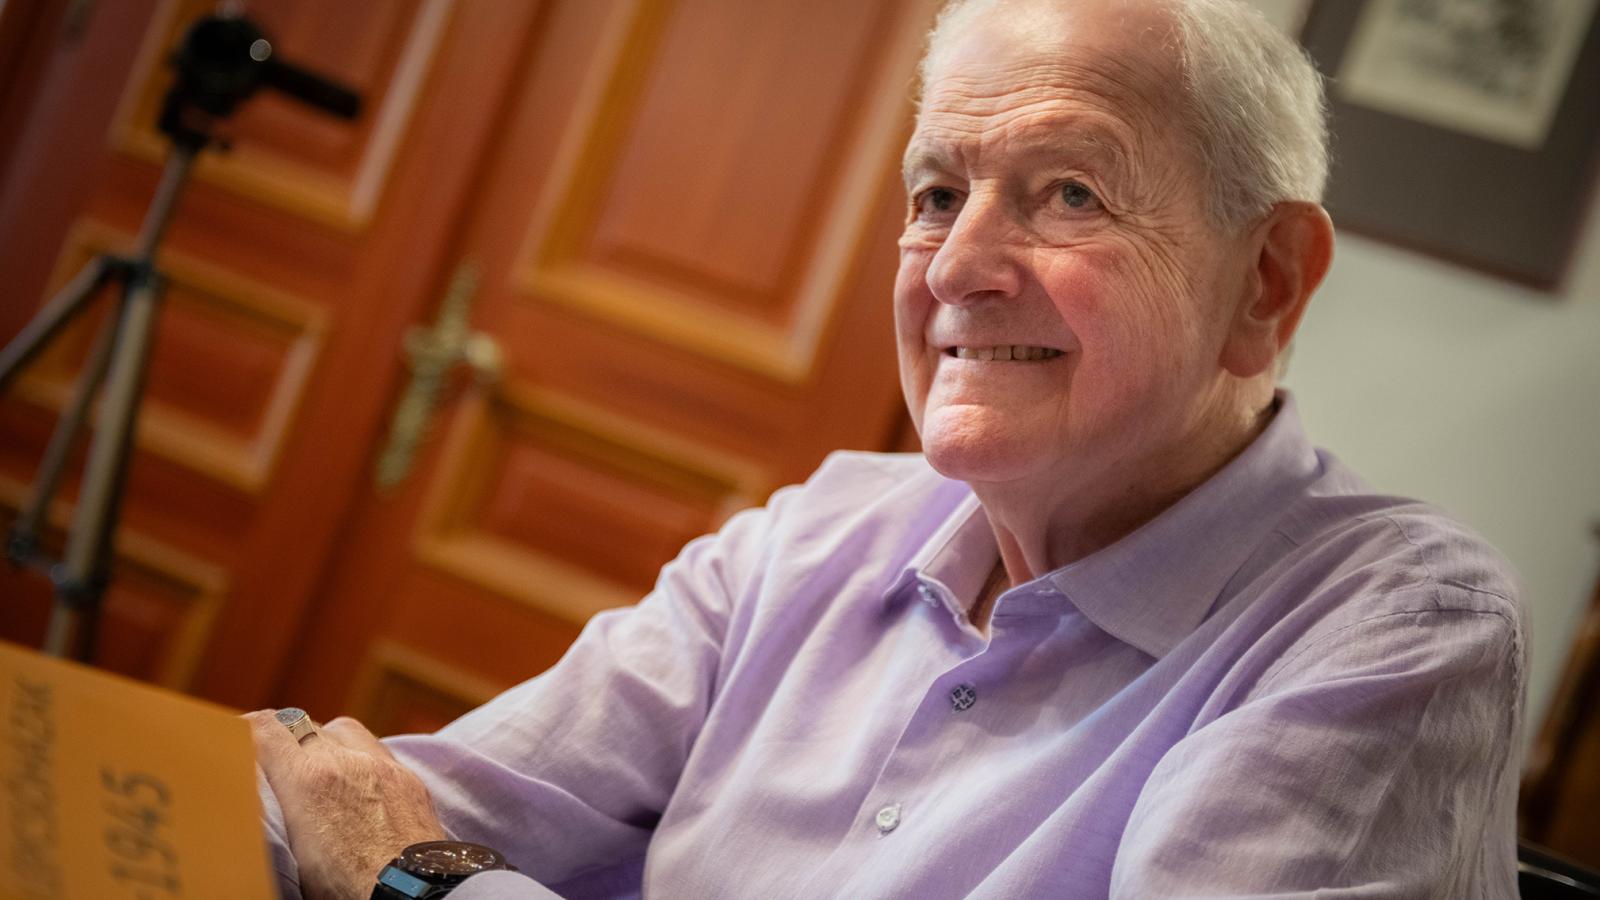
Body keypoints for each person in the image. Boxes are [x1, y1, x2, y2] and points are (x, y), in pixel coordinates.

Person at [250, 0, 1526, 897]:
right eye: (936, 195)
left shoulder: (1395, 631)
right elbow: (367, 811)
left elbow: (393, 849)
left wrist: (420, 883)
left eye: (1070, 193)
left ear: (1266, 282)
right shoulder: (821, 532)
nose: (957, 267)